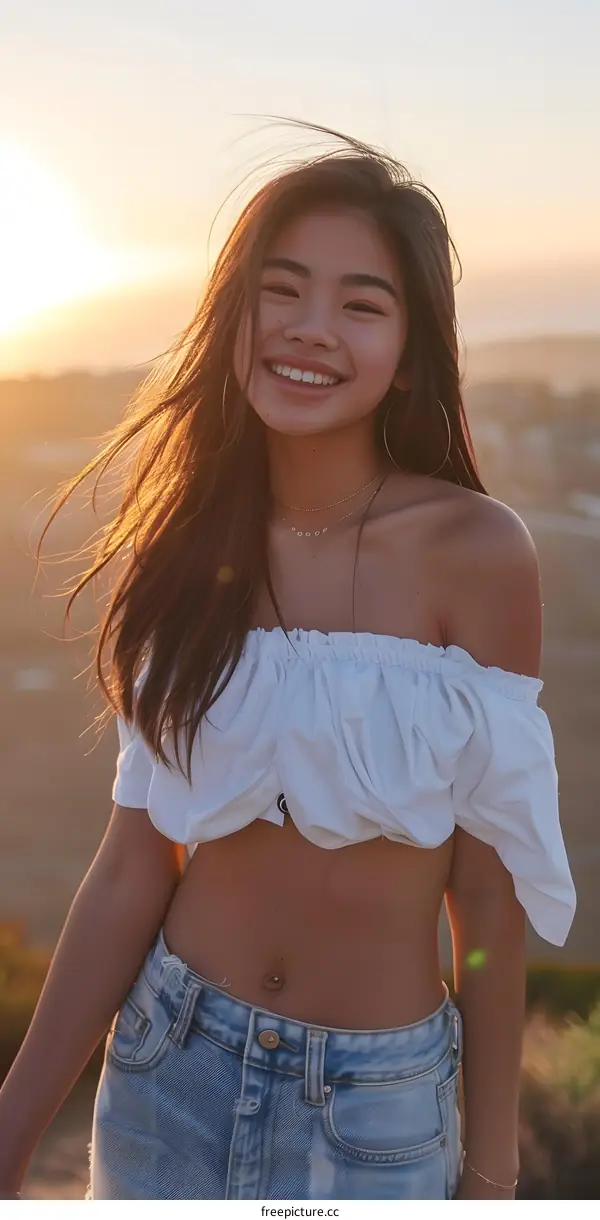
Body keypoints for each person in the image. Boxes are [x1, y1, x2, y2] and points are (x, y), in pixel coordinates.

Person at [0, 122, 576, 1202]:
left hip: (376, 1102)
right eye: (284, 289)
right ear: (236, 312)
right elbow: (133, 865)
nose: (312, 329)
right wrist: (13, 1121)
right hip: (167, 1061)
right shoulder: (185, 545)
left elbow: (488, 895)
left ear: (409, 346)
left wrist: (492, 1177)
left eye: (362, 303)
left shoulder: (479, 551)